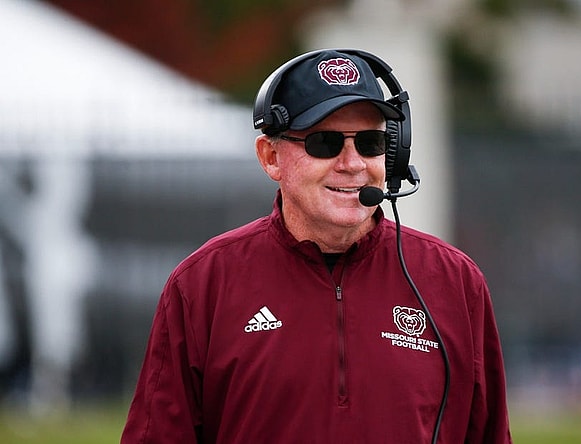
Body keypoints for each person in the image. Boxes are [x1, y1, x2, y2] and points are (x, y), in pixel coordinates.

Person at [121, 48, 512, 443]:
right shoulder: (201, 284)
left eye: (371, 142)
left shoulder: (454, 282)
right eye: (325, 143)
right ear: (271, 157)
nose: (352, 163)